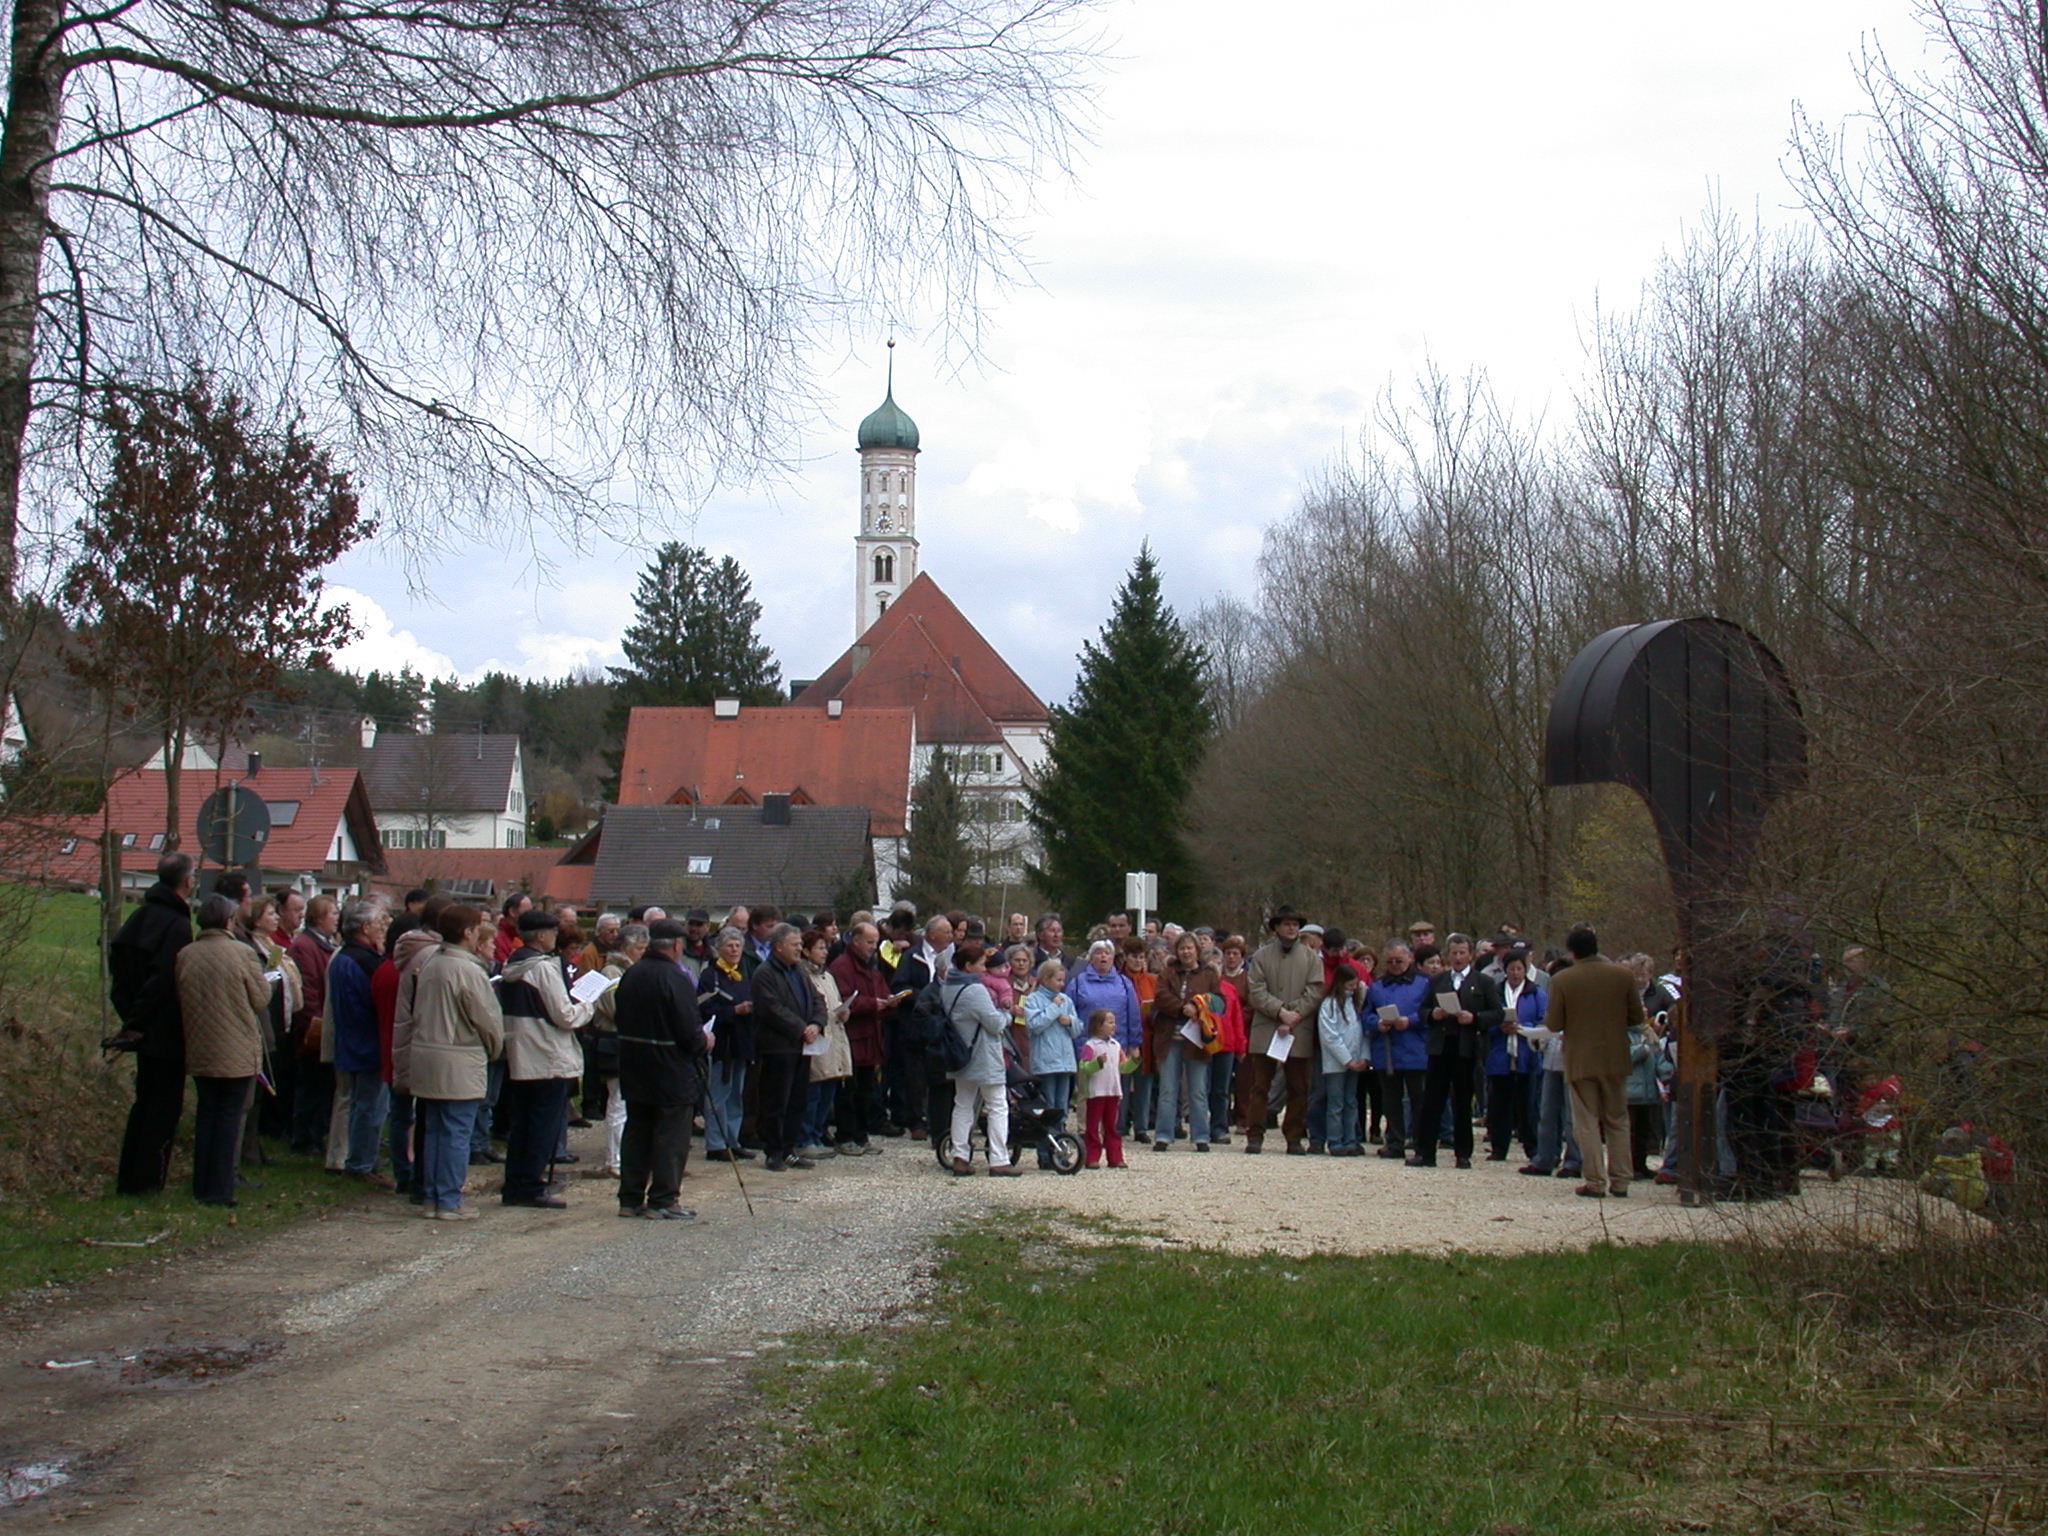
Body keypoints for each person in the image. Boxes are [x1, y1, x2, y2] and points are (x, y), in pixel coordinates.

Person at [405, 904, 505, 1220]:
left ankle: (433, 1196)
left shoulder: (431, 963)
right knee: (455, 1132)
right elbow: (487, 1019)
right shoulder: (468, 970)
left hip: (426, 1054)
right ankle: (449, 1198)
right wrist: (495, 1047)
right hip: (458, 1058)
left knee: (434, 1128)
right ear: (468, 933)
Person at [176, 894, 272, 1207]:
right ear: (229, 921)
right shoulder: (242, 954)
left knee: (207, 1114)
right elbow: (260, 999)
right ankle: (220, 1187)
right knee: (229, 1117)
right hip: (235, 1048)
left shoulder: (187, 954)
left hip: (201, 1044)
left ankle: (201, 1183)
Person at [111, 853, 198, 1194]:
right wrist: (141, 1019)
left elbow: (119, 973)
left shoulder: (139, 918)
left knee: (144, 1104)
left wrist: (127, 1019)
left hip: (140, 1027)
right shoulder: (175, 925)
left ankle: (131, 1178)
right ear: (187, 881)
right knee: (162, 1108)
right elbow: (163, 979)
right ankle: (147, 1181)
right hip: (163, 1029)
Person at [498, 909, 596, 1208]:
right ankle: (531, 1185)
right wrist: (588, 1006)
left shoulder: (513, 964)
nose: (555, 937)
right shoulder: (542, 968)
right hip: (546, 1052)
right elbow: (564, 1015)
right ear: (541, 935)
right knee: (542, 1125)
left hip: (522, 1051)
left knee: (523, 1123)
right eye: (552, 932)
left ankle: (517, 1181)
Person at [613, 919, 709, 1219]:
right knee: (671, 1136)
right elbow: (687, 1028)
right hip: (670, 1068)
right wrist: (704, 1041)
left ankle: (630, 1199)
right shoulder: (675, 977)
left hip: (634, 1063)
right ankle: (663, 1199)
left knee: (637, 1132)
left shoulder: (632, 974)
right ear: (677, 945)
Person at [1546, 926, 1645, 1198]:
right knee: (1618, 1119)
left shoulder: (1563, 980)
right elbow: (1636, 1017)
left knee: (1586, 1121)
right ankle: (1622, 1179)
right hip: (1615, 1056)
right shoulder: (1622, 976)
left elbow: (1554, 1023)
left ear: (1572, 952)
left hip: (1580, 1058)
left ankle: (1595, 1181)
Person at [1408, 933, 1503, 1170]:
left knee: (1462, 1101)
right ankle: (1425, 1152)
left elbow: (1497, 1013)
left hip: (1466, 1048)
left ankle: (1463, 1153)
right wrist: (1433, 1015)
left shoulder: (1483, 982)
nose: (1458, 957)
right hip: (1440, 1046)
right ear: (1447, 955)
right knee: (1432, 1100)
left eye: (1462, 953)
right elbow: (1422, 1010)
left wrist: (1475, 1018)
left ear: (1470, 955)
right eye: (1454, 953)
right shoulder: (1438, 981)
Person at [1244, 907, 1324, 1155]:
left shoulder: (1311, 959)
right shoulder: (1261, 956)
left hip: (1298, 1028)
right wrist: (1280, 1011)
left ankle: (1293, 1137)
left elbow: (1315, 990)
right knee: (1259, 1086)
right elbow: (1255, 990)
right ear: (1276, 927)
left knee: (1298, 1087)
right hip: (1267, 1026)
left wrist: (1294, 1015)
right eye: (1286, 924)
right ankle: (1254, 1135)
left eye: (1294, 924)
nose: (1291, 928)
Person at [749, 921, 825, 1171]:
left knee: (797, 1100)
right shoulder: (765, 973)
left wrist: (816, 1023)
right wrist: (800, 1028)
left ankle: (790, 1149)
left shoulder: (800, 971)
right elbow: (771, 1008)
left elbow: (817, 998)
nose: (799, 948)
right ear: (779, 946)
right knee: (775, 1101)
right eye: (795, 944)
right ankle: (774, 1151)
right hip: (777, 1046)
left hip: (802, 1047)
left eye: (800, 944)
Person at [327, 898, 392, 1183]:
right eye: (379, 923)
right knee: (369, 1107)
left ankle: (359, 1159)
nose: (382, 928)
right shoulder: (365, 962)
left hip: (350, 1040)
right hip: (369, 1042)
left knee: (358, 1104)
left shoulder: (342, 957)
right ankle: (361, 1164)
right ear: (365, 928)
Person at [827, 921, 906, 1157]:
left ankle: (861, 1135)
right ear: (856, 940)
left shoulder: (871, 967)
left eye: (875, 942)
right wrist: (874, 1004)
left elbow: (879, 990)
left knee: (866, 1091)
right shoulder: (841, 966)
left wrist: (890, 1001)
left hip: (872, 1037)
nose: (874, 947)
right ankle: (845, 1135)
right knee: (848, 1092)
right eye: (870, 942)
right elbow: (842, 999)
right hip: (852, 1038)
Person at [940, 941, 1019, 1177]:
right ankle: (999, 1159)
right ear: (968, 966)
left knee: (963, 1104)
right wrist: (1007, 1015)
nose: (984, 969)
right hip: (983, 1054)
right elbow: (994, 1023)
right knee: (997, 1105)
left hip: (960, 1053)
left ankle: (960, 1156)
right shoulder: (975, 990)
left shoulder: (947, 986)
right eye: (981, 964)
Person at [582, 921, 644, 1176]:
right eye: (639, 948)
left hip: (626, 1041)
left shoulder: (631, 971)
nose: (643, 952)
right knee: (617, 1101)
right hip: (612, 1041)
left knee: (625, 1102)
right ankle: (614, 1158)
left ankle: (625, 1154)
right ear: (626, 948)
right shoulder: (611, 973)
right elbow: (613, 1007)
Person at [1149, 932, 1219, 1151]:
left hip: (1197, 1039)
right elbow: (1160, 996)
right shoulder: (1168, 972)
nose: (1186, 952)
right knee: (1168, 1089)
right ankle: (1163, 1135)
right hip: (1170, 1037)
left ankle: (1200, 1136)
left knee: (1197, 1090)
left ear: (1197, 950)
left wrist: (1198, 1007)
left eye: (1190, 948)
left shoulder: (1209, 974)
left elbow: (1218, 1001)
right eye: (1182, 948)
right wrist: (1182, 1008)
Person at [1364, 942, 1431, 1160]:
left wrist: (1409, 1021)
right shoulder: (1376, 987)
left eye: (1399, 961)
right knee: (1390, 1100)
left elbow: (1430, 1014)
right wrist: (1377, 1023)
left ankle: (1422, 1141)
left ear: (1410, 958)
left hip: (1416, 1049)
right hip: (1387, 1051)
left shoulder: (1424, 984)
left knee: (1419, 1099)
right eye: (1390, 961)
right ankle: (1394, 1141)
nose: (1394, 965)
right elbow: (1366, 1015)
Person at [695, 926, 755, 1161]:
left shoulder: (742, 974)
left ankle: (733, 1139)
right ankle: (716, 1143)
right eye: (729, 945)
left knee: (736, 1095)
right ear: (719, 949)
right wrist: (733, 1011)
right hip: (722, 1043)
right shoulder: (711, 976)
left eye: (738, 945)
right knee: (719, 1095)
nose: (734, 950)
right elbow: (704, 1009)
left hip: (741, 1042)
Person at [798, 928, 853, 1160]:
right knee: (813, 1092)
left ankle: (818, 1132)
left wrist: (844, 1011)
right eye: (820, 948)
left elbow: (836, 1001)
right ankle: (805, 1137)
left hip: (835, 1037)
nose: (824, 952)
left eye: (825, 947)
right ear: (806, 951)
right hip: (816, 1039)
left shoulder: (827, 976)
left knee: (828, 1090)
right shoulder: (802, 976)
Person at [1021, 959, 1082, 1167]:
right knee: (1048, 1109)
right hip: (1046, 1062)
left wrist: (1071, 1022)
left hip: (1065, 1061)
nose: (1061, 984)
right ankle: (1045, 1154)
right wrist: (1054, 1010)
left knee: (1062, 1108)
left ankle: (1061, 1150)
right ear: (1045, 979)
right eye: (1058, 980)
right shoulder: (1033, 1000)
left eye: (1063, 980)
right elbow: (1034, 1025)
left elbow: (1077, 1029)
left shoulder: (1066, 999)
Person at [1485, 951, 1545, 1161]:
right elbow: (1485, 1018)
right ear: (1505, 970)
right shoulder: (1496, 991)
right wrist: (1498, 1026)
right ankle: (1499, 1148)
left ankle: (1532, 1148)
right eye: (1512, 969)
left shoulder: (1536, 993)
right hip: (1500, 1053)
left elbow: (1543, 1021)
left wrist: (1522, 1028)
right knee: (1499, 1105)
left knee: (1528, 1106)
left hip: (1526, 1054)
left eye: (1519, 969)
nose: (1515, 973)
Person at [1315, 961, 1368, 1155]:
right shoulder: (1329, 1005)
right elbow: (1330, 1036)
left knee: (1350, 1102)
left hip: (1355, 1059)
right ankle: (1335, 1140)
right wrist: (1347, 1059)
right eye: (1350, 985)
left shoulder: (1355, 1003)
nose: (1353, 989)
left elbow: (1362, 1033)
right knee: (1335, 1103)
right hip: (1336, 1062)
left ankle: (1350, 1139)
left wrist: (1363, 1057)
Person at [1077, 1007, 1126, 1169]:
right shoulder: (1090, 1045)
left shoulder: (1116, 1045)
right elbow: (1084, 1067)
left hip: (1112, 1091)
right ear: (1099, 1025)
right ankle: (1092, 1157)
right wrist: (1097, 1063)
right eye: (1110, 1022)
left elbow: (1123, 1067)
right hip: (1096, 1092)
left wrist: (1134, 1062)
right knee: (1093, 1126)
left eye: (1114, 1022)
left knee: (1111, 1126)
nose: (1114, 1026)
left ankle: (1115, 1157)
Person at [494, 892, 530, 966]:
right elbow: (506, 967)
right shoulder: (497, 938)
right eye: (527, 912)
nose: (530, 916)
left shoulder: (524, 935)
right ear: (512, 912)